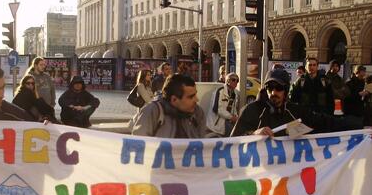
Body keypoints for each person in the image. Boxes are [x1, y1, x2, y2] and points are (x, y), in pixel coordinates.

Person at [231, 69, 362, 137]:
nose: (273, 92)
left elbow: (325, 122)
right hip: (260, 177)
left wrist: (360, 126)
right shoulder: (251, 110)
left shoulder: (295, 111)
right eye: (270, 88)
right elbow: (233, 141)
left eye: (279, 88)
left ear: (286, 90)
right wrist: (253, 134)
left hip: (289, 178)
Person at [131, 73, 206, 138]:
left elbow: (202, 145)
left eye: (195, 94)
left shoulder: (198, 113)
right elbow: (139, 147)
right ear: (174, 99)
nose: (196, 99)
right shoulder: (152, 111)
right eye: (191, 97)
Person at [206, 72, 240, 137]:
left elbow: (234, 108)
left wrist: (236, 117)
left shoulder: (235, 94)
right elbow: (216, 109)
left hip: (228, 122)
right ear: (228, 81)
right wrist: (231, 117)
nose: (235, 82)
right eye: (233, 80)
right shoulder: (220, 91)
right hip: (217, 124)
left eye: (237, 80)